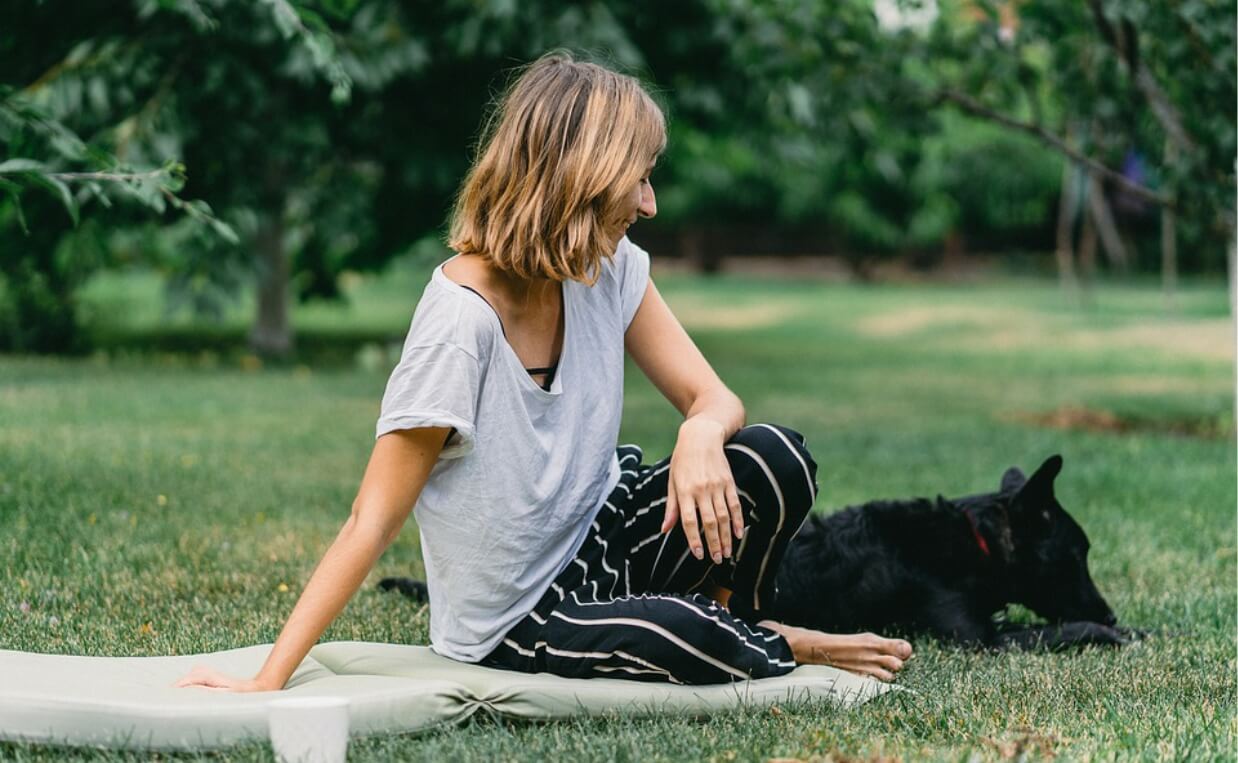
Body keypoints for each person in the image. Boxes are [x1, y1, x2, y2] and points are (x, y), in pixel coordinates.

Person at [174, 51, 911, 692]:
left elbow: (714, 396)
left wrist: (699, 432)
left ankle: (735, 618)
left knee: (773, 458)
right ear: (582, 178)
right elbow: (371, 518)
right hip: (521, 614)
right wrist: (267, 676)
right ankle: (769, 636)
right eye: (640, 179)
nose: (650, 203)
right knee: (691, 636)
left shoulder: (608, 269)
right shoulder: (460, 325)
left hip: (608, 528)